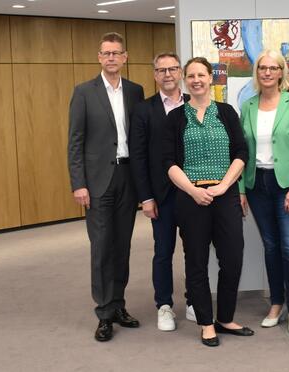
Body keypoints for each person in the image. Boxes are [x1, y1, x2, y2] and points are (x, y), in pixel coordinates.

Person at [161, 57, 253, 347]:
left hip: (224, 196)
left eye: (202, 74)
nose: (197, 79)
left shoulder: (226, 112)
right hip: (191, 199)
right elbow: (169, 162)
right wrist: (193, 190)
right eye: (191, 75)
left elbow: (240, 152)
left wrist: (225, 186)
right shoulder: (175, 118)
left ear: (210, 78)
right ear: (185, 80)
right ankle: (205, 323)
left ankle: (225, 318)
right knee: (197, 262)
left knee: (233, 258)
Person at [68, 32, 144, 342]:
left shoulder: (136, 92)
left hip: (128, 178)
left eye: (116, 53)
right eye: (106, 53)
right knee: (101, 248)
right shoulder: (84, 92)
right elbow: (75, 141)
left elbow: (139, 138)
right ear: (99, 58)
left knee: (122, 246)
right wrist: (78, 183)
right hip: (97, 182)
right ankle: (103, 313)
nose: (111, 58)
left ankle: (119, 306)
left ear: (125, 57)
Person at [239, 50, 289, 335]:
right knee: (271, 247)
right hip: (258, 184)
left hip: (287, 186)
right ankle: (276, 303)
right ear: (257, 73)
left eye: (273, 68)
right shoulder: (248, 105)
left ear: (282, 72)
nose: (267, 73)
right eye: (262, 68)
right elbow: (243, 151)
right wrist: (242, 189)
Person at [129, 52, 194, 331]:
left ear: (180, 72)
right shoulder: (143, 110)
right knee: (163, 252)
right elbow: (139, 157)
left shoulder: (195, 104)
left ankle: (194, 299)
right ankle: (164, 305)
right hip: (161, 196)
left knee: (195, 250)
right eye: (161, 70)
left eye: (172, 69)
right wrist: (145, 197)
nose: (167, 74)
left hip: (193, 193)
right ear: (155, 75)